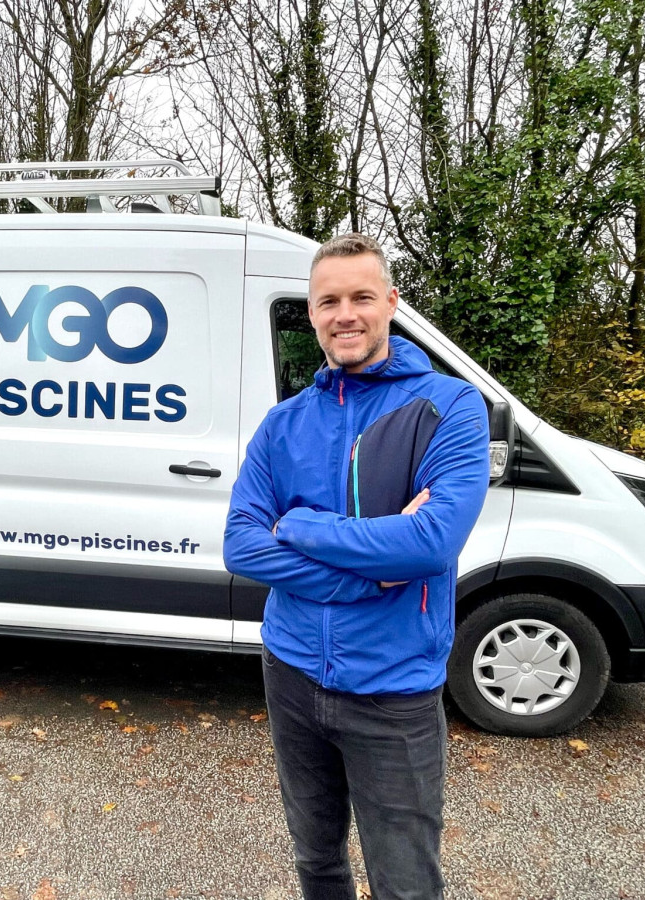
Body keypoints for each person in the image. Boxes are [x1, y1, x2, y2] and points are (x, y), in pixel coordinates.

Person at [223, 233, 491, 900]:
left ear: (391, 303)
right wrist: (372, 573)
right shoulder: (283, 423)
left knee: (405, 883)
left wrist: (302, 526)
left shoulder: (451, 407)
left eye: (362, 297)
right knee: (316, 860)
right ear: (311, 313)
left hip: (393, 688)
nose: (345, 315)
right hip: (290, 671)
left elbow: (430, 542)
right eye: (329, 301)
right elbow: (242, 545)